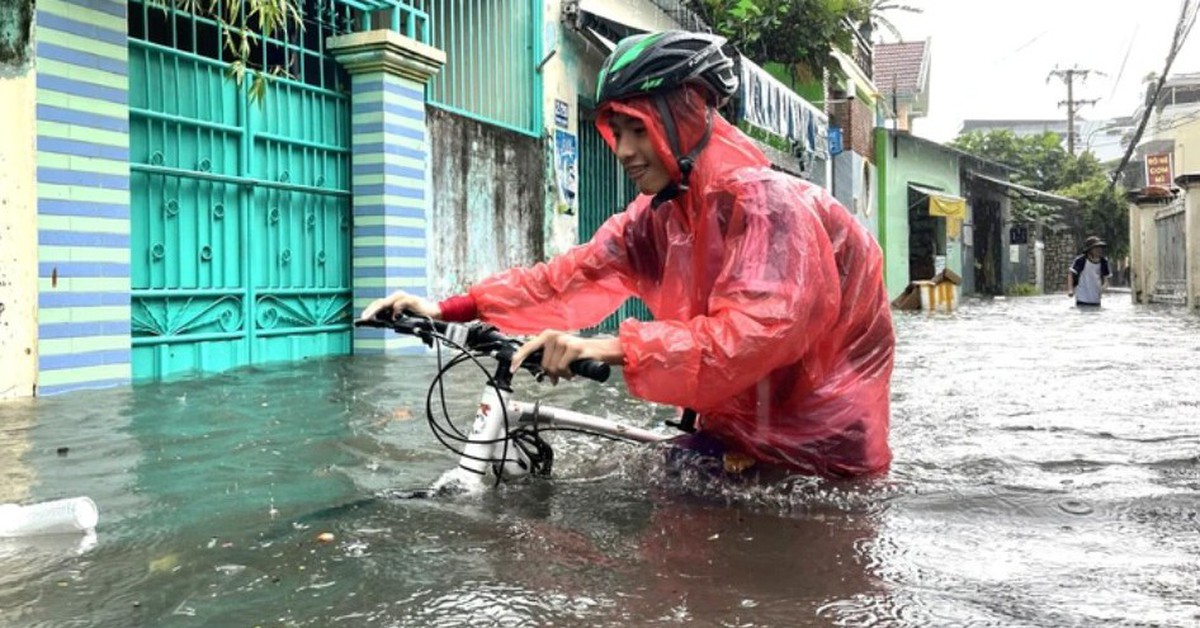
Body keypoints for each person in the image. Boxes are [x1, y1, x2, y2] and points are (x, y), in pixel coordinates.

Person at [360, 31, 895, 479]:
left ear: (685, 119)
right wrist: (449, 309)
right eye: (616, 131)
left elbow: (754, 334)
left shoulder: (767, 206)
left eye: (639, 128)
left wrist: (612, 347)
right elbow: (568, 278)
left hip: (825, 452)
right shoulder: (662, 216)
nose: (625, 151)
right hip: (733, 425)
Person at [1067, 235, 1112, 307]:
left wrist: (1104, 287)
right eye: (1096, 248)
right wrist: (1070, 290)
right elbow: (1071, 273)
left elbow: (1106, 278)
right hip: (1082, 298)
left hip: (1096, 298)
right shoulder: (1081, 260)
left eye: (1100, 247)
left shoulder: (1103, 261)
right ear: (1090, 249)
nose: (1099, 250)